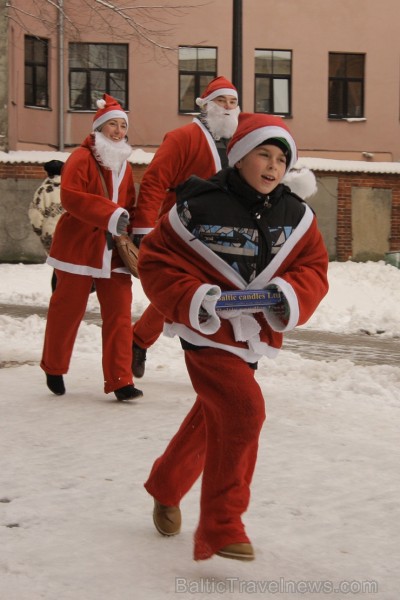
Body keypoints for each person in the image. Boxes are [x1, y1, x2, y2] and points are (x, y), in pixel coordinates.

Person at [137, 113, 329, 562]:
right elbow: (156, 262)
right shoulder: (196, 206)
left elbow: (313, 269)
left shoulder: (297, 215)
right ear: (240, 155)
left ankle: (166, 484)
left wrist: (286, 293)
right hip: (204, 329)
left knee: (212, 415)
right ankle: (222, 524)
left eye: (282, 159)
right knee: (243, 410)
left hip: (253, 331)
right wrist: (196, 297)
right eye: (263, 153)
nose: (273, 166)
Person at [131, 76, 241, 378]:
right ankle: (143, 342)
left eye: (233, 102)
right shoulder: (182, 138)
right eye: (222, 101)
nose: (228, 108)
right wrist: (142, 229)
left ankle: (139, 340)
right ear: (206, 106)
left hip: (222, 234)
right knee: (188, 293)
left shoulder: (237, 142)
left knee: (203, 295)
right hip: (181, 231)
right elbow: (155, 180)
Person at [40, 93, 146, 402]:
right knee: (66, 312)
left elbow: (128, 203)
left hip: (113, 252)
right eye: (112, 125)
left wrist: (136, 229)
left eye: (122, 126)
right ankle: (54, 367)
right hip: (78, 249)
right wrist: (112, 215)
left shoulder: (124, 165)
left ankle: (120, 380)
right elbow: (71, 198)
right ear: (99, 127)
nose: (118, 131)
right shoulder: (81, 157)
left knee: (120, 315)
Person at [28, 160, 64, 292]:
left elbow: (35, 213)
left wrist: (38, 230)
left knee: (58, 266)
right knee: (69, 265)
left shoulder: (43, 190)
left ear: (47, 172)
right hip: (72, 233)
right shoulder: (72, 188)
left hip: (51, 234)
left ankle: (58, 294)